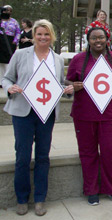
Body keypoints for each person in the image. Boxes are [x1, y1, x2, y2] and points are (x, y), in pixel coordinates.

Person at [2, 19, 73, 216]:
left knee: (43, 157)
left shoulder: (57, 59)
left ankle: (40, 198)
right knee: (22, 157)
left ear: (52, 36)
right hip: (23, 112)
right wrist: (9, 87)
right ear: (33, 35)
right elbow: (6, 78)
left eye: (46, 34)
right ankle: (22, 199)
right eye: (39, 34)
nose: (43, 37)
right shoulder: (20, 54)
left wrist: (66, 90)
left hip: (46, 113)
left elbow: (58, 84)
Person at [66, 27, 112, 206]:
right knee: (88, 153)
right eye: (94, 38)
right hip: (84, 114)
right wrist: (74, 85)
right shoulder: (78, 59)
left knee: (110, 152)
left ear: (107, 39)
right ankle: (91, 189)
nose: (98, 41)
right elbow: (68, 80)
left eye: (101, 37)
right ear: (88, 40)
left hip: (109, 114)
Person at [0, 5, 21, 85]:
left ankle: (9, 79)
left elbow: (18, 32)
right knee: (1, 63)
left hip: (10, 42)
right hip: (1, 41)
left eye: (9, 10)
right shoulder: (0, 20)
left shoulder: (14, 21)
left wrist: (15, 41)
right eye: (5, 10)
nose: (7, 12)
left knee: (9, 61)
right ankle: (1, 81)